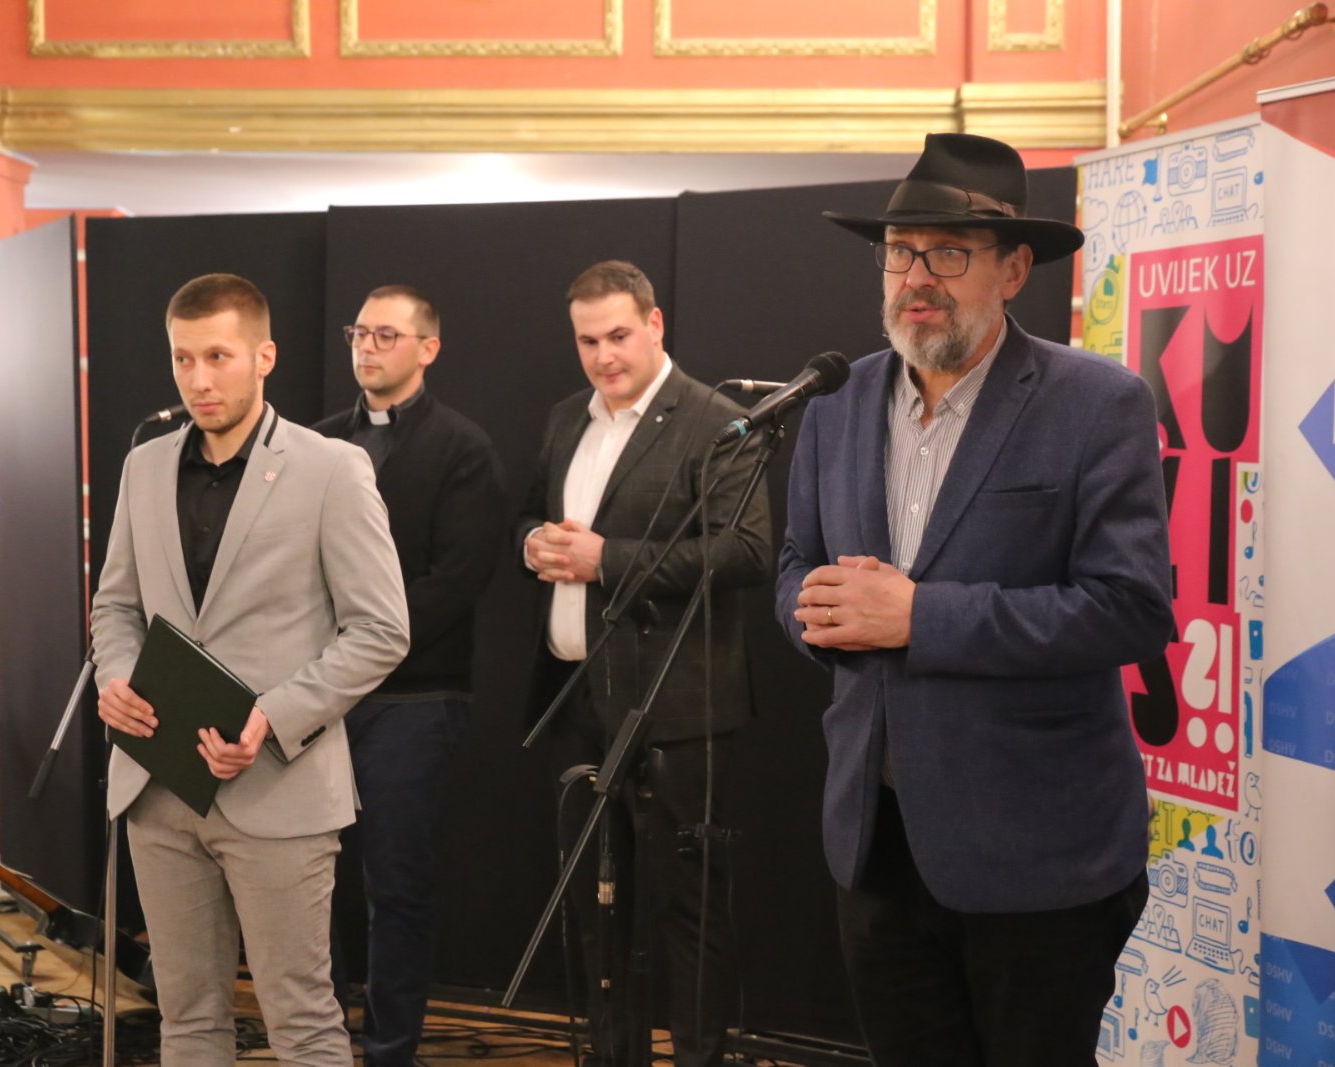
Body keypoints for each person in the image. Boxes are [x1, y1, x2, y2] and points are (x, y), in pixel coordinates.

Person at [774, 133, 1172, 1066]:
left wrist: (920, 616)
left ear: (1014, 269)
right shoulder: (834, 401)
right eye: (900, 251)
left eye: (949, 253)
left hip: (1038, 854)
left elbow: (1130, 606)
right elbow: (796, 563)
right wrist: (816, 614)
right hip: (878, 844)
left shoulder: (1097, 402)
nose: (917, 277)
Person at [91, 272, 410, 1066]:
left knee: (302, 1024)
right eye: (183, 358)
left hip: (279, 790)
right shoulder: (143, 467)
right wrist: (115, 678)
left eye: (219, 356)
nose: (199, 379)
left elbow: (382, 630)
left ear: (264, 356)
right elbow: (116, 605)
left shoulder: (332, 468)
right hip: (158, 785)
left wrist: (273, 713)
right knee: (186, 1020)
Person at [517, 260, 772, 1067]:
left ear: (656, 325)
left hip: (678, 714)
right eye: (587, 340)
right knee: (597, 913)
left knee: (685, 914)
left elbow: (747, 550)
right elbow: (533, 514)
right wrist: (532, 542)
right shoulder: (566, 418)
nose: (603, 356)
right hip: (579, 701)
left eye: (619, 335)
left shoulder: (719, 421)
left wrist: (609, 559)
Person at [314, 285, 506, 1067]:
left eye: (386, 335)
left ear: (428, 348)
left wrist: (357, 645)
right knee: (310, 879)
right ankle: (319, 1043)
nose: (367, 347)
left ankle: (389, 1051)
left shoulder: (464, 449)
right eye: (359, 332)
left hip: (415, 697)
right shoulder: (319, 442)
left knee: (396, 885)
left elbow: (455, 583)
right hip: (321, 697)